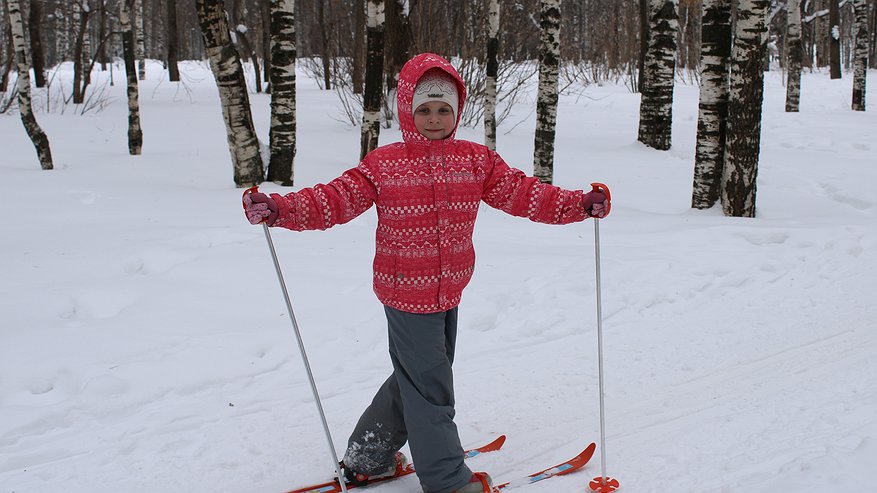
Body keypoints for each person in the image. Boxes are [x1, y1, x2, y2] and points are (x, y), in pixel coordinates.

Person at [243, 53, 609, 493]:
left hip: (448, 289)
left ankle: (369, 457)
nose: (434, 118)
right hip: (404, 293)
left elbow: (525, 194)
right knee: (431, 387)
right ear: (406, 111)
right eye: (424, 109)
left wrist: (577, 205)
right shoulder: (386, 163)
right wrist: (281, 208)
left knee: (415, 378)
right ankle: (447, 479)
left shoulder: (476, 161)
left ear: (457, 112)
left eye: (443, 109)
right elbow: (334, 199)